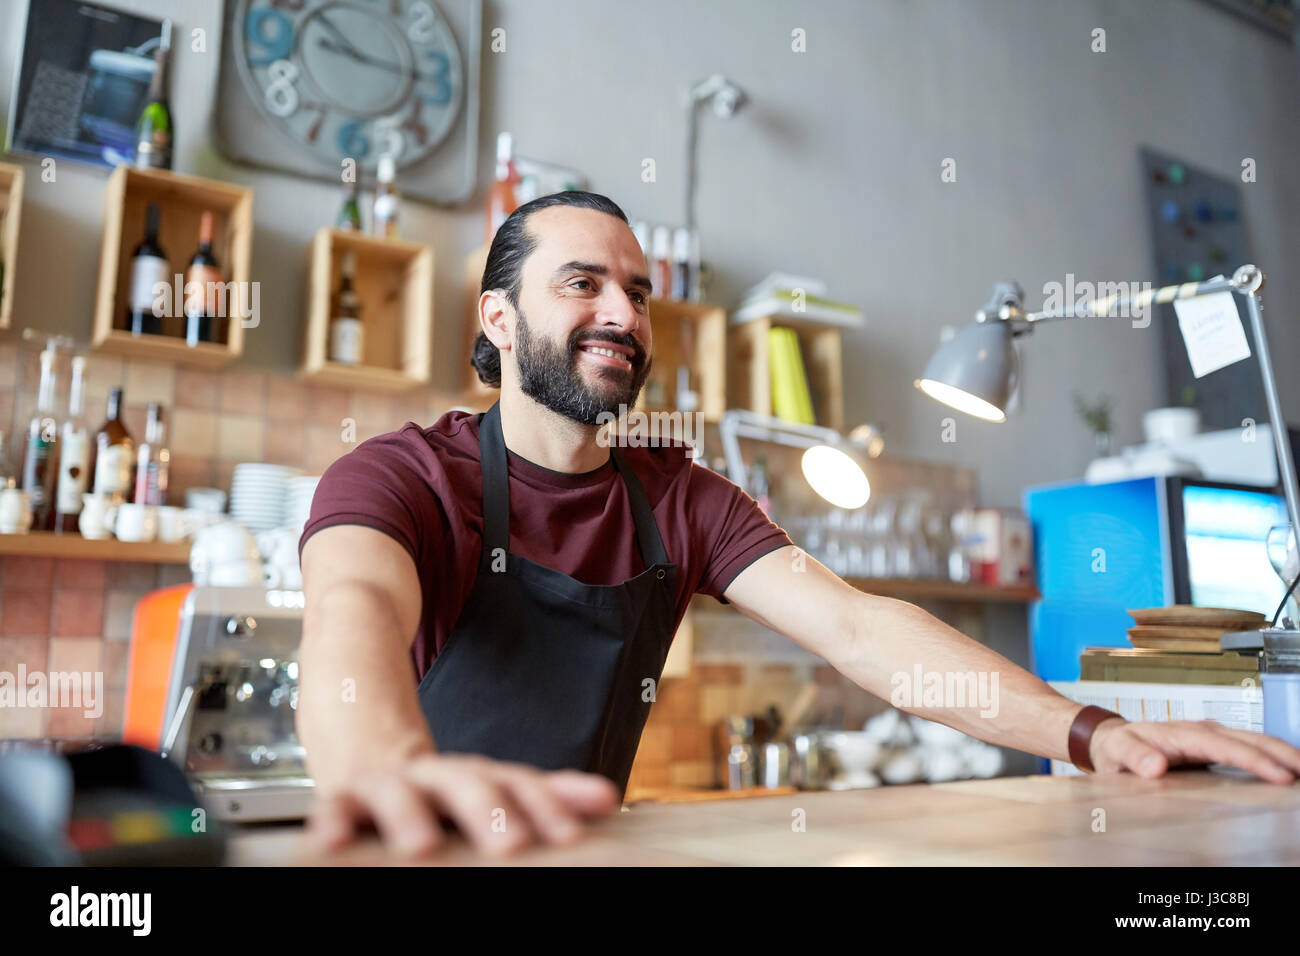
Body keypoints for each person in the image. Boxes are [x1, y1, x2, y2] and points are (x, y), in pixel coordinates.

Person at [297, 190, 1300, 859]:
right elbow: (350, 615)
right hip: (415, 852)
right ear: (499, 319)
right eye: (581, 283)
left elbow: (864, 630)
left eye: (637, 292)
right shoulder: (402, 475)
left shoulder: (681, 495)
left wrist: (1094, 732)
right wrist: (388, 769)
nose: (622, 312)